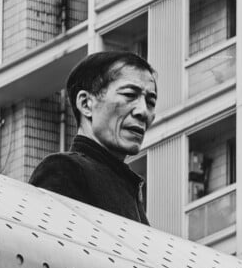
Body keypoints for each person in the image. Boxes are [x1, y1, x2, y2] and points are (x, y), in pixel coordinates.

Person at [29, 51, 157, 225]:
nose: (143, 111)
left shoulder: (130, 191)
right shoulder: (64, 169)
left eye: (151, 102)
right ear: (85, 104)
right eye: (129, 95)